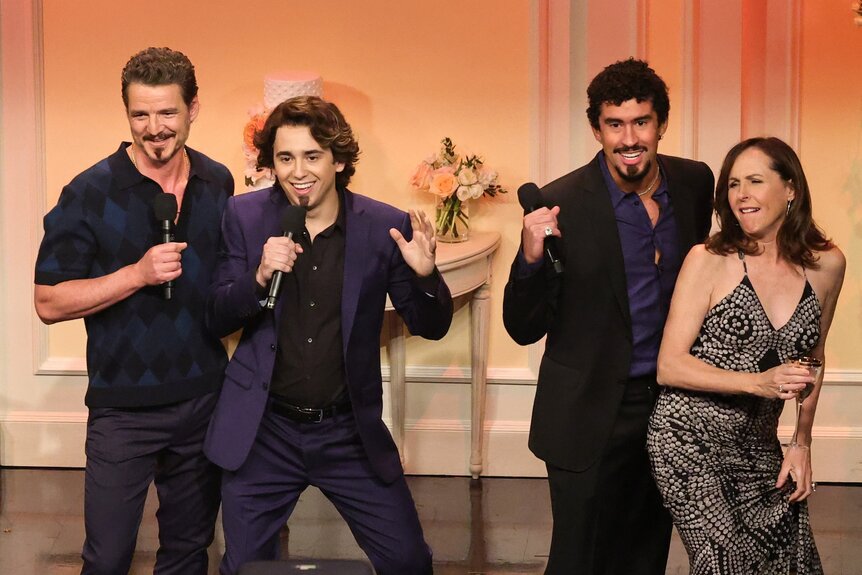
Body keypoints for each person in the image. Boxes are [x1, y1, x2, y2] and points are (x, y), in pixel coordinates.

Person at [203, 95, 453, 575]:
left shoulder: (384, 226)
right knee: (244, 569)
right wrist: (256, 280)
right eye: (285, 157)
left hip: (347, 432)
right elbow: (215, 316)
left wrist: (424, 277)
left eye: (312, 156)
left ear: (338, 159)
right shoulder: (245, 217)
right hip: (264, 431)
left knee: (409, 562)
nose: (298, 171)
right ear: (270, 163)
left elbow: (431, 325)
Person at [502, 58, 714, 574]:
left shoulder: (694, 183)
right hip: (587, 411)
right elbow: (523, 326)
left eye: (640, 122)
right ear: (596, 128)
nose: (628, 138)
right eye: (614, 125)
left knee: (645, 555)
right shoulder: (559, 204)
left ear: (661, 123)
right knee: (579, 560)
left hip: (668, 408)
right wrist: (530, 259)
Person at [33, 47, 233, 574]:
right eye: (140, 115)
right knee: (107, 558)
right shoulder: (88, 192)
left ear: (194, 109)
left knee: (189, 554)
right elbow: (48, 301)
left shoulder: (218, 182)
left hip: (203, 398)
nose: (155, 128)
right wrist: (135, 275)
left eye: (168, 113)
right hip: (123, 409)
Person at [647, 137, 845, 574]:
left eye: (755, 181)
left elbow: (813, 359)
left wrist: (802, 442)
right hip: (689, 438)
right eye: (734, 184)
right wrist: (757, 382)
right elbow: (669, 365)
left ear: (790, 188)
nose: (741, 195)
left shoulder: (827, 265)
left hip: (759, 444)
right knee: (728, 564)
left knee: (791, 561)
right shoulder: (710, 259)